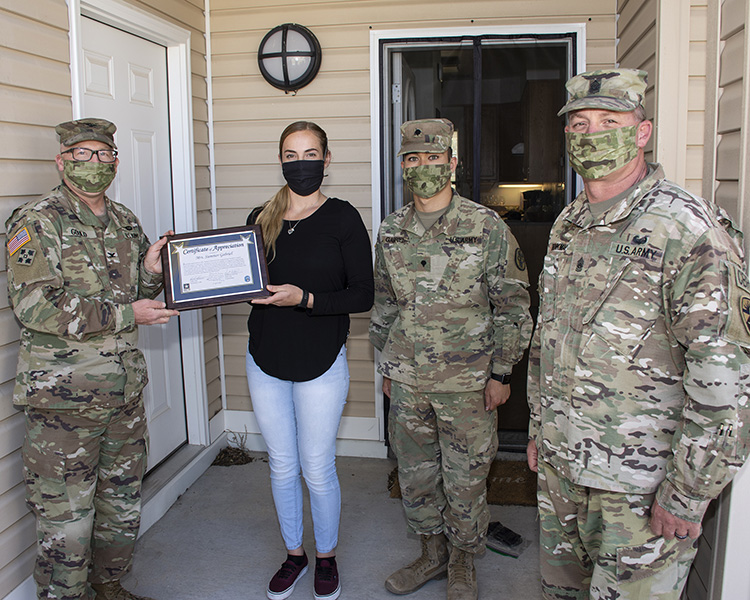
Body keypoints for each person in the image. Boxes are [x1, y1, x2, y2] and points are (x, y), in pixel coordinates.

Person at [527, 68, 750, 600]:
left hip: (639, 483)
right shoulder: (570, 221)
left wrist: (688, 492)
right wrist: (539, 425)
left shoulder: (686, 226)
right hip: (563, 466)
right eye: (580, 123)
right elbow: (548, 338)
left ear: (642, 132)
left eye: (610, 121)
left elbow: (724, 376)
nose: (592, 134)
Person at [5, 118, 178, 600]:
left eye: (103, 155)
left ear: (115, 162)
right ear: (62, 161)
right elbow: (36, 306)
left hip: (122, 395)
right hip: (65, 404)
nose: (94, 163)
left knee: (121, 506)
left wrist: (150, 270)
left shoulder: (124, 221)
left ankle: (108, 586)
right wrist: (128, 312)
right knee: (67, 521)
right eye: (82, 154)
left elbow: (144, 294)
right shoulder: (37, 222)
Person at [369, 118, 533, 600]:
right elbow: (384, 303)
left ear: (452, 163)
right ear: (402, 165)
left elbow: (514, 306)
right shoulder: (392, 230)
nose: (423, 166)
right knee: (416, 474)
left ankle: (463, 560)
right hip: (407, 379)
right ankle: (431, 553)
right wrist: (388, 367)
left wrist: (502, 372)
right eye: (412, 158)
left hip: (468, 383)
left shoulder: (485, 227)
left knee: (465, 479)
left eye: (433, 157)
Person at [244, 121, 374, 600]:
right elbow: (241, 279)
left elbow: (363, 294)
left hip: (321, 359)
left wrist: (306, 299)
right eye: (291, 154)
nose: (301, 162)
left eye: (310, 152)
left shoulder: (342, 218)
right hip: (265, 357)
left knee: (316, 466)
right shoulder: (261, 216)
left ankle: (326, 557)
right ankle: (294, 553)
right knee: (281, 464)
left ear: (326, 158)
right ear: (280, 160)